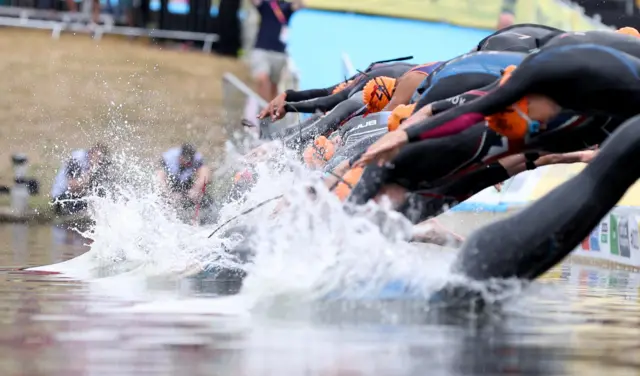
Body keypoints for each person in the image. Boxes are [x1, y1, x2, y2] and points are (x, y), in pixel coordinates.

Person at [432, 114, 640, 308]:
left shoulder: (495, 167)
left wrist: (580, 156)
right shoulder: (493, 167)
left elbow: (544, 157)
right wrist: (581, 155)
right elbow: (546, 157)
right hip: (492, 255)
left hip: (491, 252)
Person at [250, 0, 305, 101]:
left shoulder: (287, 7)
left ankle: (270, 111)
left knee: (274, 85)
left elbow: (300, 5)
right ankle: (263, 109)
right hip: (262, 49)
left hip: (279, 52)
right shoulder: (266, 4)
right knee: (262, 78)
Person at [156, 144, 214, 222]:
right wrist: (168, 194)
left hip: (187, 182)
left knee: (206, 200)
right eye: (184, 160)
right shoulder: (168, 158)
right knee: (163, 198)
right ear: (180, 156)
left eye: (189, 162)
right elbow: (160, 178)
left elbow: (205, 175)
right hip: (171, 181)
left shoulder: (197, 158)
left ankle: (206, 218)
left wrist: (195, 189)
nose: (186, 163)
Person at [51, 143, 113, 216]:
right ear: (91, 153)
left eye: (101, 159)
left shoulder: (99, 163)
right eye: (98, 157)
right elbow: (72, 187)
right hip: (61, 198)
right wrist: (91, 171)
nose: (99, 161)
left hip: (77, 196)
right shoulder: (77, 159)